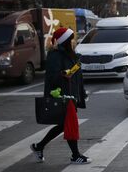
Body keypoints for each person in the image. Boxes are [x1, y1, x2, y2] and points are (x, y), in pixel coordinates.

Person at [31, 28, 90, 164]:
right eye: (71, 39)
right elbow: (53, 77)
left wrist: (82, 92)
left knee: (64, 125)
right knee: (69, 124)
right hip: (62, 95)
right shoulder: (55, 56)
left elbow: (78, 77)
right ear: (65, 42)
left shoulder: (72, 55)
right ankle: (75, 155)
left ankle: (38, 146)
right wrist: (65, 73)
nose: (74, 42)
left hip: (71, 95)